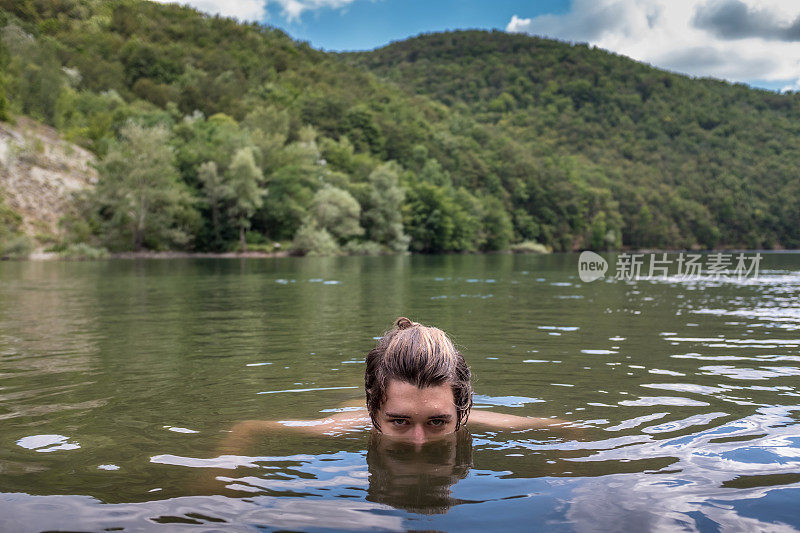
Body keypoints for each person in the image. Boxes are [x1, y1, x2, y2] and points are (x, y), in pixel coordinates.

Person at [222, 317, 568, 452]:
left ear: (462, 411)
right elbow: (247, 428)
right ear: (373, 412)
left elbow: (567, 429)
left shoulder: (470, 418)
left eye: (437, 422)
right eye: (399, 421)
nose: (418, 442)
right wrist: (221, 476)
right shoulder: (342, 426)